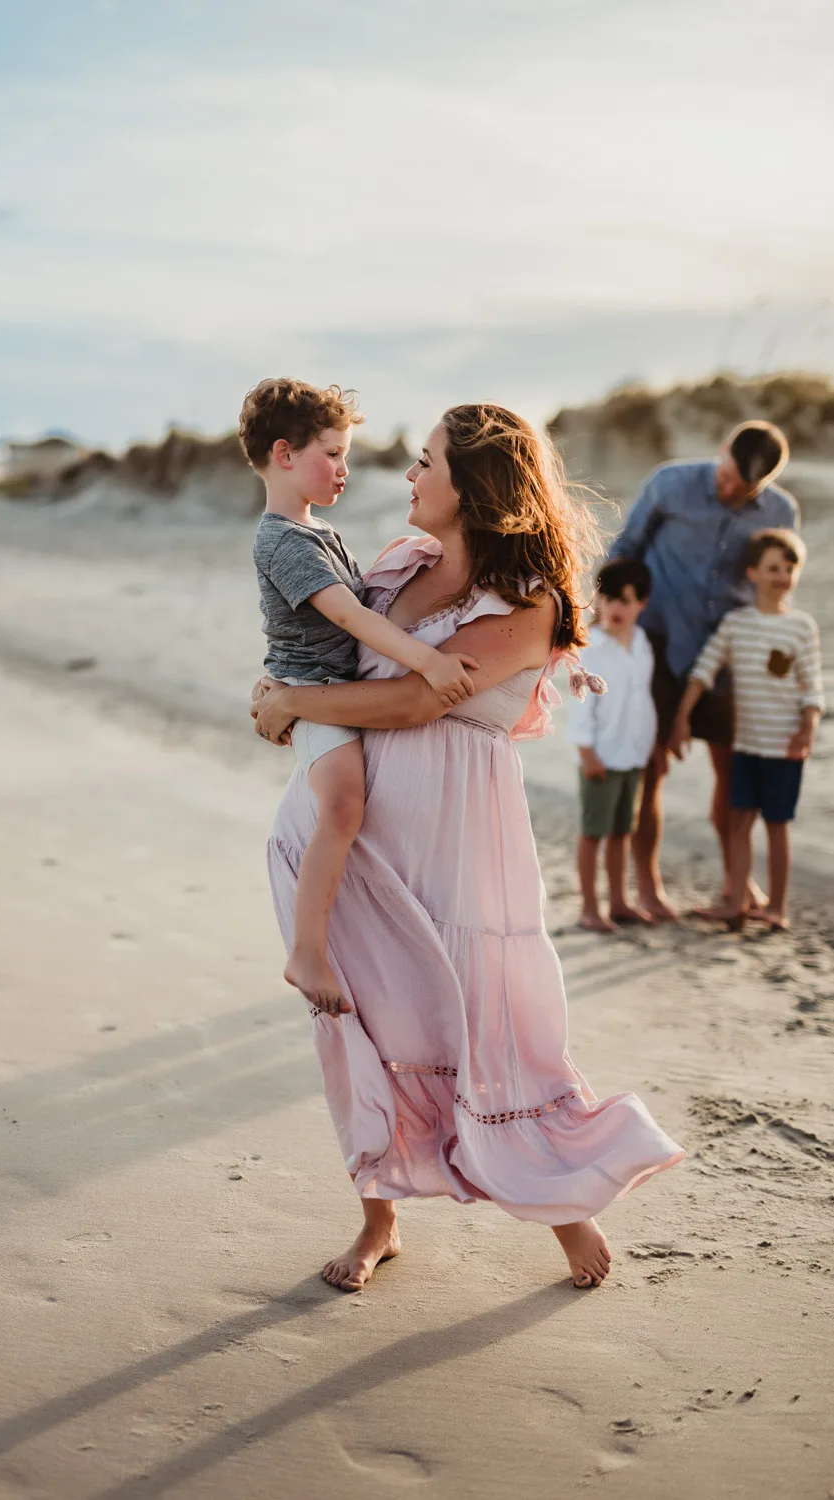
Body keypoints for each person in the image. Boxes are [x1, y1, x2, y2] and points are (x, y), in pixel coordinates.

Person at [252, 404, 683, 1293]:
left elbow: (416, 704)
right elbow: (331, 659)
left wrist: (292, 704)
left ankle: (565, 1208)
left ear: (474, 487)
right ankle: (379, 1218)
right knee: (359, 1030)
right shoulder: (396, 565)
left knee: (490, 1023)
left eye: (425, 463)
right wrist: (283, 689)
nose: (409, 477)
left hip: (457, 839)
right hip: (350, 838)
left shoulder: (529, 606)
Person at [244, 378, 480, 1017]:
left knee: (356, 813)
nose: (345, 469)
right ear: (286, 454)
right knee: (344, 809)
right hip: (315, 696)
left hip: (329, 691)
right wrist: (428, 661)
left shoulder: (316, 531)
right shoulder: (283, 540)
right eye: (333, 453)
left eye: (347, 455)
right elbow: (349, 616)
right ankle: (307, 951)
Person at [609, 420, 798, 920]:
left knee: (733, 771)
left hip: (728, 655)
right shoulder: (671, 483)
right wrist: (612, 626)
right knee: (649, 767)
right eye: (729, 477)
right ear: (722, 451)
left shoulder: (780, 511)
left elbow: (775, 588)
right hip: (657, 639)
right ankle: (648, 886)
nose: (732, 491)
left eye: (745, 488)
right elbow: (625, 551)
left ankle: (739, 884)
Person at [671, 529, 823, 931]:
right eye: (773, 568)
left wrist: (808, 729)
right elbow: (704, 670)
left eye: (789, 569)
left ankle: (776, 906)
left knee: (776, 825)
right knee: (737, 822)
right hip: (746, 745)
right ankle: (737, 902)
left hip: (784, 747)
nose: (782, 575)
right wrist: (683, 716)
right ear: (753, 573)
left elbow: (813, 686)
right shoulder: (737, 624)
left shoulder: (801, 627)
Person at [565, 558, 657, 932]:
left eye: (626, 600)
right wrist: (587, 753)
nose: (616, 607)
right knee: (594, 832)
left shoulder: (643, 643)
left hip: (632, 755)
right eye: (609, 598)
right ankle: (590, 907)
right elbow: (581, 707)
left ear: (642, 605)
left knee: (622, 832)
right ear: (597, 599)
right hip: (599, 757)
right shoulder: (590, 648)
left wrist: (647, 745)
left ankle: (619, 901)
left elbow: (640, 698)